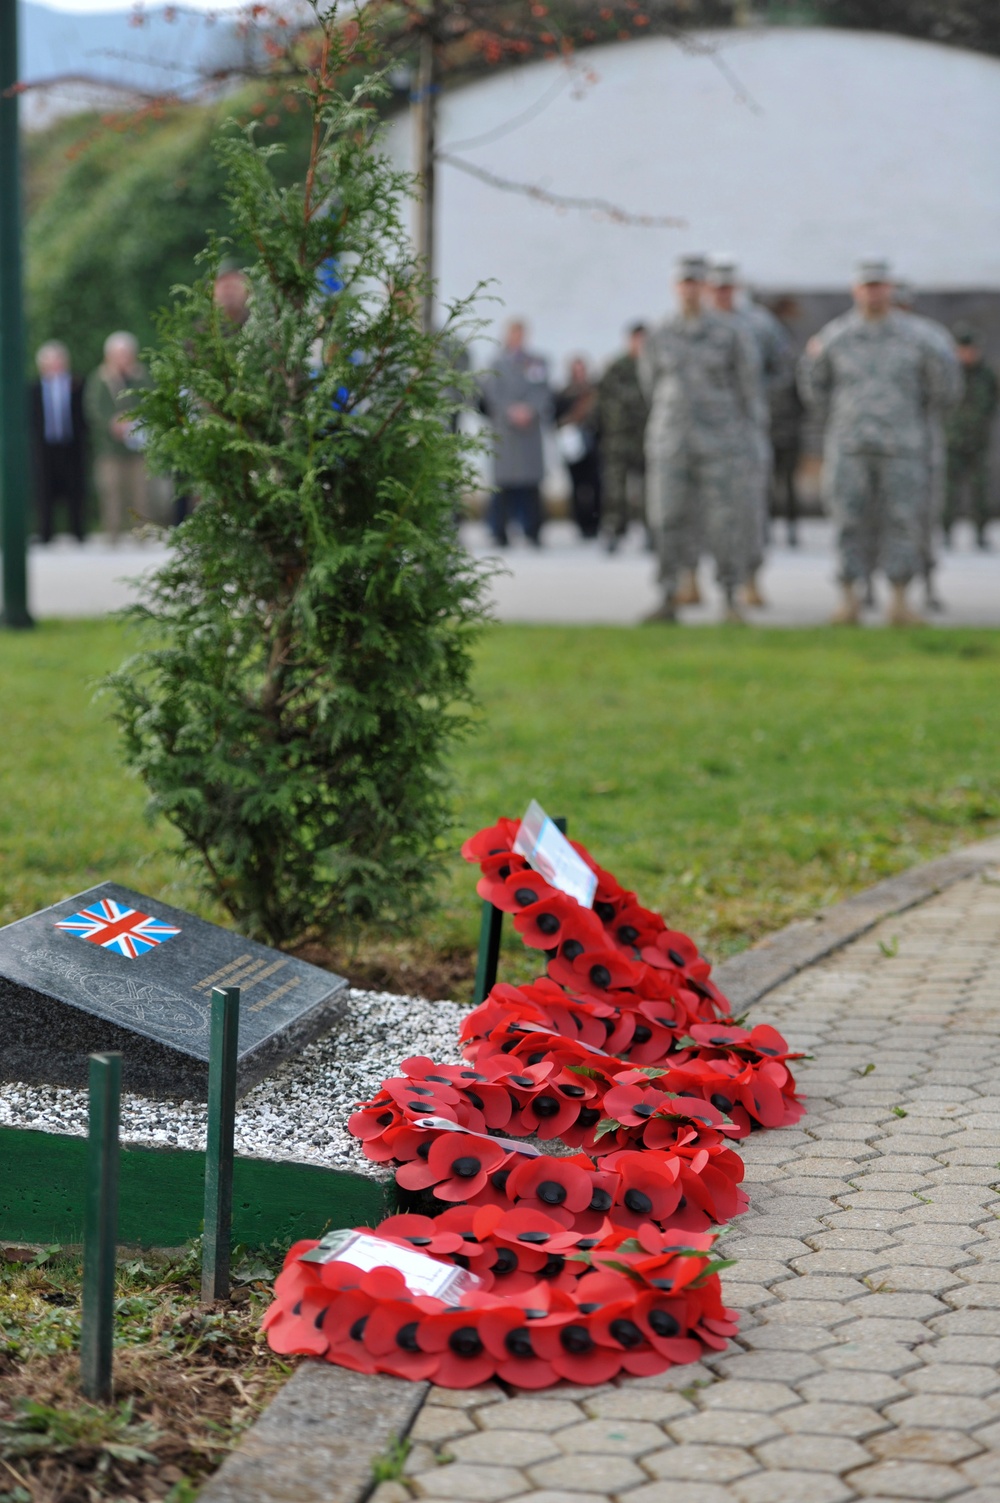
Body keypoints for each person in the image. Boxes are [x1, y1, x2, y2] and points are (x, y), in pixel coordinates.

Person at [799, 259, 957, 626]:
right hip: (850, 447)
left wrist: (909, 423)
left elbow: (946, 389)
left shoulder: (923, 338)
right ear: (856, 290)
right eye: (867, 286)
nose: (874, 293)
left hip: (904, 448)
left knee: (904, 521)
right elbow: (814, 387)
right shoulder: (835, 337)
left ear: (892, 289)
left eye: (880, 285)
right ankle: (849, 599)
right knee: (848, 520)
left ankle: (900, 600)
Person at [640, 254, 764, 623]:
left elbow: (748, 389)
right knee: (667, 518)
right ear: (675, 287)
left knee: (726, 521)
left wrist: (742, 438)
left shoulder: (731, 333)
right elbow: (651, 384)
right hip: (672, 441)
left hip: (722, 443)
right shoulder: (660, 333)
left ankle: (729, 595)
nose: (690, 290)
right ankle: (668, 594)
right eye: (684, 283)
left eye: (696, 282)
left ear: (705, 287)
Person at [704, 258, 787, 607]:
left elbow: (780, 368)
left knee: (748, 509)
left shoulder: (758, 325)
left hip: (744, 431)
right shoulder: (691, 326)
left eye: (728, 286)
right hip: (700, 431)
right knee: (696, 509)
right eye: (716, 287)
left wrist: (751, 397)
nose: (723, 293)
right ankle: (688, 579)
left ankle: (751, 578)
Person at [892, 281, 961, 610]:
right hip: (878, 445)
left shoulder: (931, 339)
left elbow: (948, 391)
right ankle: (871, 588)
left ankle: (927, 585)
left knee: (920, 519)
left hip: (921, 447)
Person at [478, 320, 553, 547]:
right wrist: (510, 410)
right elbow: (491, 395)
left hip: (529, 431)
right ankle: (498, 530)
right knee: (503, 485)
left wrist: (529, 410)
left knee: (531, 485)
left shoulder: (537, 362)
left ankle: (533, 530)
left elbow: (543, 392)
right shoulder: (496, 363)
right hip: (506, 431)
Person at [84, 332, 152, 543]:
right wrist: (111, 423)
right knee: (111, 491)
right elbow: (92, 408)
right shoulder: (100, 378)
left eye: (126, 354)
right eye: (118, 355)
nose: (122, 359)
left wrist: (134, 419)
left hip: (137, 447)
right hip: (109, 448)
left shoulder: (141, 376)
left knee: (140, 491)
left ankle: (140, 533)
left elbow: (150, 402)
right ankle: (112, 534)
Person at [944, 325, 999, 550]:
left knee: (980, 490)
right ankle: (946, 531)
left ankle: (980, 533)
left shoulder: (987, 375)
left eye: (971, 349)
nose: (967, 354)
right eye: (963, 349)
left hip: (978, 441)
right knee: (949, 490)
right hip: (952, 441)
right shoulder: (948, 374)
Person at [597, 323, 650, 553]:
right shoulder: (616, 367)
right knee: (615, 489)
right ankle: (614, 531)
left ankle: (652, 532)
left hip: (647, 438)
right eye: (637, 339)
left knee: (650, 489)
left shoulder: (654, 367)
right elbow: (602, 401)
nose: (640, 345)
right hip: (619, 439)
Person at [29, 340, 88, 544]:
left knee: (76, 488)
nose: (54, 365)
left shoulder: (77, 384)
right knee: (44, 490)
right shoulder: (34, 388)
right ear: (42, 365)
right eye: (50, 361)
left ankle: (78, 531)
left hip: (71, 444)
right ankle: (45, 532)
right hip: (44, 446)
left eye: (58, 360)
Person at [766, 297, 805, 546]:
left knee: (788, 482)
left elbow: (802, 395)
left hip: (787, 429)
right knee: (767, 483)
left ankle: (790, 529)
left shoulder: (793, 365)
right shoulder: (767, 345)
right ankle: (767, 529)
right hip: (768, 428)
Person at [555, 356, 601, 539]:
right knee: (576, 487)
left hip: (593, 446)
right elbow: (556, 418)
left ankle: (595, 523)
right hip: (572, 447)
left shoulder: (594, 392)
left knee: (596, 486)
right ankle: (581, 524)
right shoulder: (564, 393)